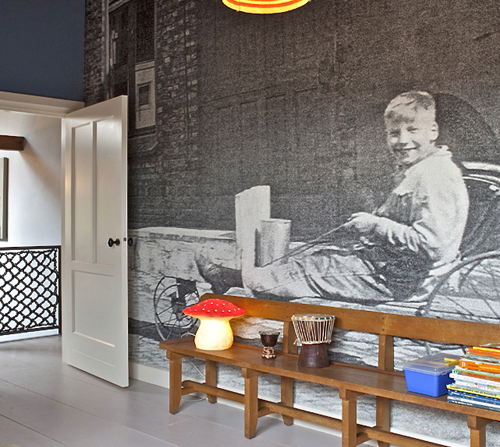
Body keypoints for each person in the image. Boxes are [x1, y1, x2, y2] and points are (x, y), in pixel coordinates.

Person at [200, 91, 470, 303]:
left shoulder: (435, 175)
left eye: (412, 130)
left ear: (433, 131)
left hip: (401, 280)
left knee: (308, 271)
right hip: (391, 266)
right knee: (319, 257)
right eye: (394, 133)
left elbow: (432, 244)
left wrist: (374, 225)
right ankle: (242, 280)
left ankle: (230, 278)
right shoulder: (424, 169)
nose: (402, 141)